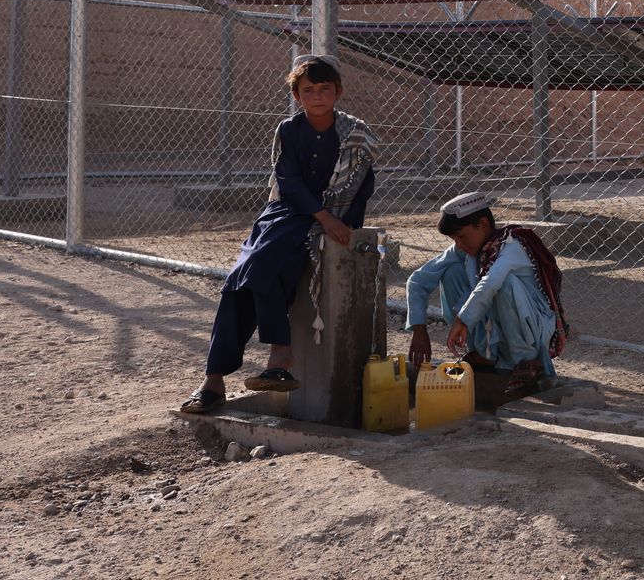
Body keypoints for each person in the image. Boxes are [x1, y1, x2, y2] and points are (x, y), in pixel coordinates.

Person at [180, 55, 377, 414]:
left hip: (335, 213)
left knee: (252, 273)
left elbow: (361, 185)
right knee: (240, 280)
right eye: (308, 90)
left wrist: (344, 222)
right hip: (287, 213)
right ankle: (243, 368)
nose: (317, 96)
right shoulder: (289, 129)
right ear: (297, 96)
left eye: (325, 89)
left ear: (338, 92)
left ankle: (228, 376)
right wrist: (320, 216)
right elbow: (288, 182)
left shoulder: (356, 133)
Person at [406, 192, 569, 396]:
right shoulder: (466, 249)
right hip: (496, 329)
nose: (459, 244)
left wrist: (463, 319)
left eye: (461, 236)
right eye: (454, 239)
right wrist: (419, 331)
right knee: (451, 272)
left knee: (504, 283)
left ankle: (526, 362)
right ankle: (484, 354)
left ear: (483, 224)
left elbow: (490, 283)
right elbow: (417, 281)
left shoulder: (512, 245)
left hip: (533, 332)